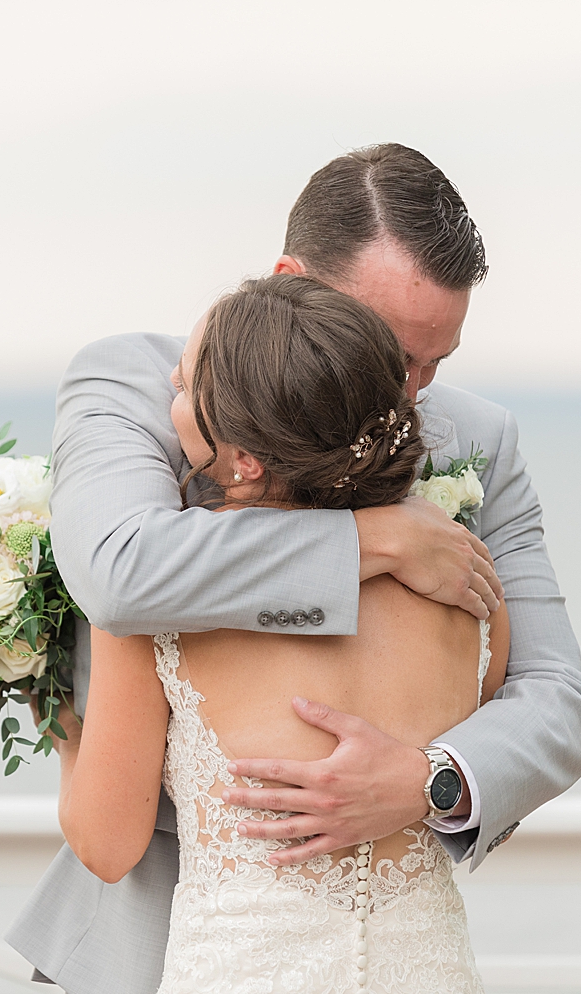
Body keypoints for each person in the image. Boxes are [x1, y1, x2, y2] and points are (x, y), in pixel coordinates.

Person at [6, 143, 581, 994]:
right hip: (132, 949)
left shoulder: (479, 439)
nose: (411, 398)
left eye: (439, 362)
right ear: (294, 276)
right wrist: (377, 543)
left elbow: (559, 697)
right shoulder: (137, 385)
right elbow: (122, 575)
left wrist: (428, 779)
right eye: (393, 351)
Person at [52, 274, 510, 992]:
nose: (168, 392)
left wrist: (60, 722)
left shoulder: (159, 611)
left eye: (183, 390)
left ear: (245, 459)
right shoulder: (468, 585)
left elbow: (107, 844)